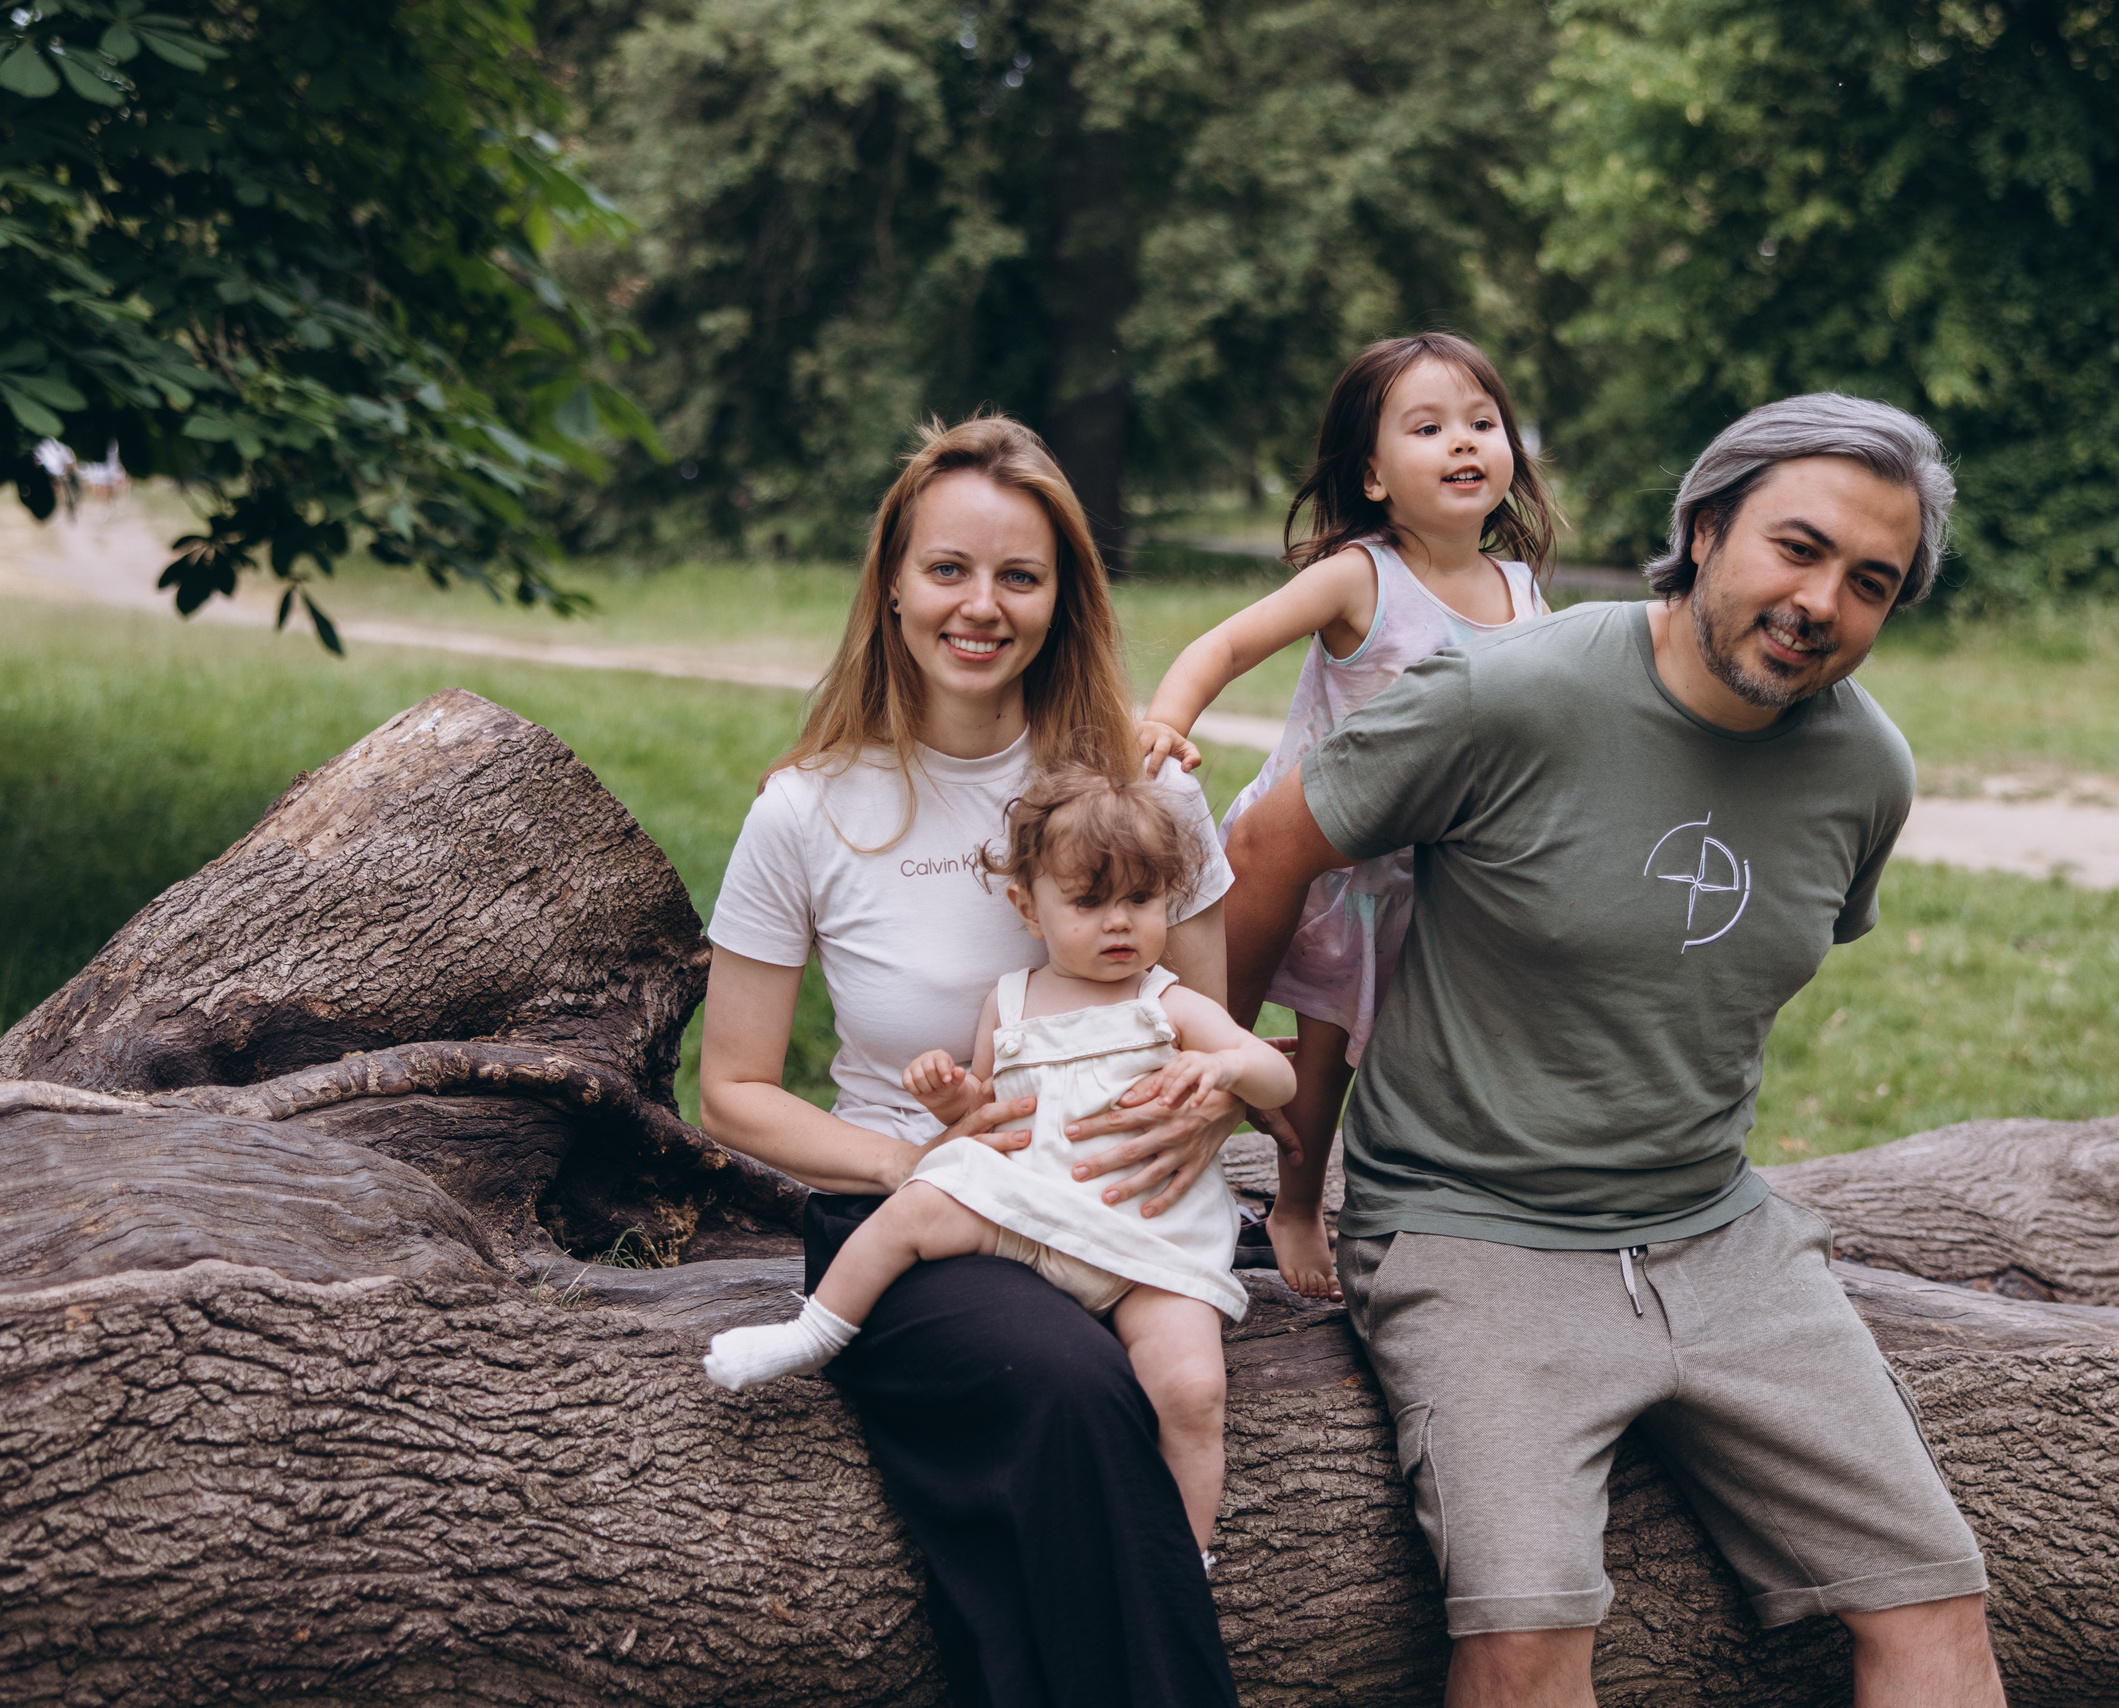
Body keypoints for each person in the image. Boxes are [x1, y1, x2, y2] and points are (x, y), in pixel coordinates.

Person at [1221, 393, 2009, 1707]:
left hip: (1721, 1232)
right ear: (1704, 529)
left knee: (1936, 1603)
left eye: (1870, 583)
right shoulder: (1508, 691)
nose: (1823, 601)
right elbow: (1265, 848)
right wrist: (1216, 1078)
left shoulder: (1868, 769)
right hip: (1472, 1227)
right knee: (1526, 1644)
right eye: (1798, 548)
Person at [698, 414, 1247, 1708]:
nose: (980, 606)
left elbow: (1210, 1030)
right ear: (892, 582)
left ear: (1063, 596)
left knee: (1126, 1377)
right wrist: (913, 1159)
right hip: (910, 1214)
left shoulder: (1143, 787)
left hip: (1120, 1199)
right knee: (1059, 1385)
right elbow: (733, 1093)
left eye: (1020, 575)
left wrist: (1201, 1123)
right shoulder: (809, 807)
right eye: (948, 569)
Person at [703, 763, 1294, 1563]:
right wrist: (952, 1101)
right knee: (917, 1202)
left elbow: (1276, 1074)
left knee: (1191, 1389)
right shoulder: (1010, 1001)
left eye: (1143, 900)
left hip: (1148, 1242)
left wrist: (1227, 1070)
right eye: (1089, 902)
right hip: (1029, 1213)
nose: (1119, 923)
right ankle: (815, 1332)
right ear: (1029, 908)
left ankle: (1181, 1555)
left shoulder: (1168, 1004)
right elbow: (987, 1109)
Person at [1137, 332, 1562, 1299]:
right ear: (1373, 475)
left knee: (1330, 1058)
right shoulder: (1360, 577)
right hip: (1305, 864)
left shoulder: (1524, 591)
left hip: (1421, 875)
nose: (1464, 443)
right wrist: (1168, 719)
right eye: (1429, 427)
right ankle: (1162, 1177)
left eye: (1481, 423)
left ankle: (1304, 1205)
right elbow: (1229, 643)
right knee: (1212, 1029)